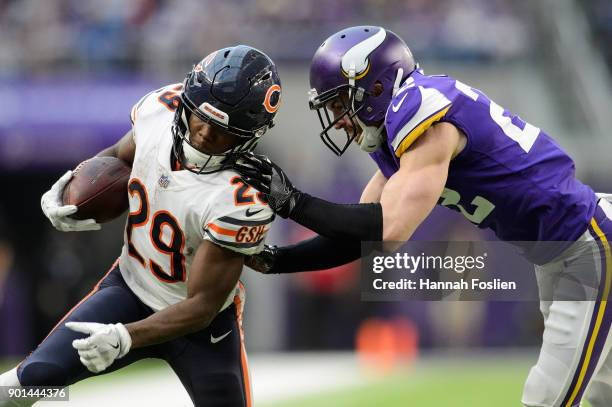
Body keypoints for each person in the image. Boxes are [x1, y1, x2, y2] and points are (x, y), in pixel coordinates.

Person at [235, 26, 612, 407]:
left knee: (549, 397)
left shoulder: (421, 112)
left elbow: (391, 230)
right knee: (599, 395)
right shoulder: (399, 130)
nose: (338, 120)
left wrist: (293, 202)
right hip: (559, 252)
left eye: (339, 104)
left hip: (589, 243)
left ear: (376, 87)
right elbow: (359, 235)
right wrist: (278, 260)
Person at [0, 45, 280, 407]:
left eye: (222, 131)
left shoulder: (244, 197)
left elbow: (203, 305)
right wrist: (69, 189)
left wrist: (126, 338)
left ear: (249, 135)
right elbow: (118, 156)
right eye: (200, 118)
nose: (204, 135)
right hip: (129, 290)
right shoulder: (159, 112)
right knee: (33, 382)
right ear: (187, 101)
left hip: (202, 328)